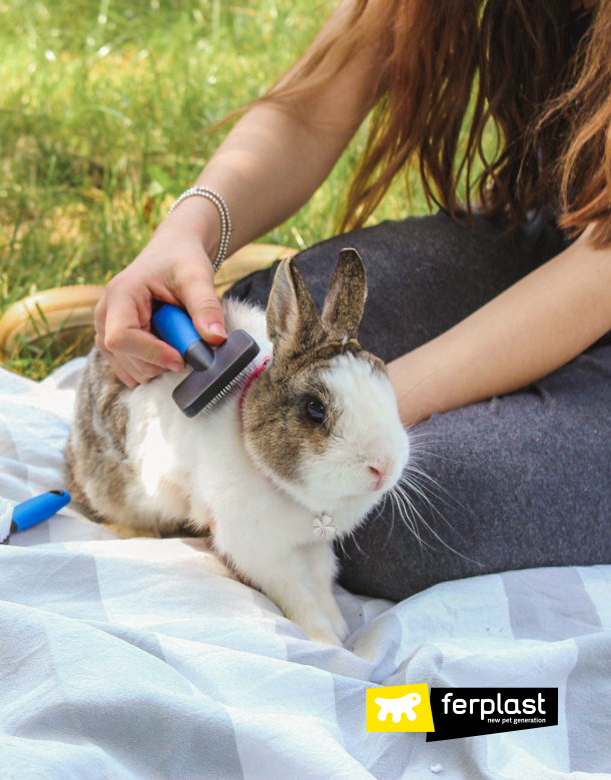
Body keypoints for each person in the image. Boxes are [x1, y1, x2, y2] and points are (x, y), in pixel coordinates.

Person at [93, 0, 611, 601]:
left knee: (379, 518)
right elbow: (313, 109)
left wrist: (355, 423)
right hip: (568, 223)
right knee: (264, 323)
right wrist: (188, 231)